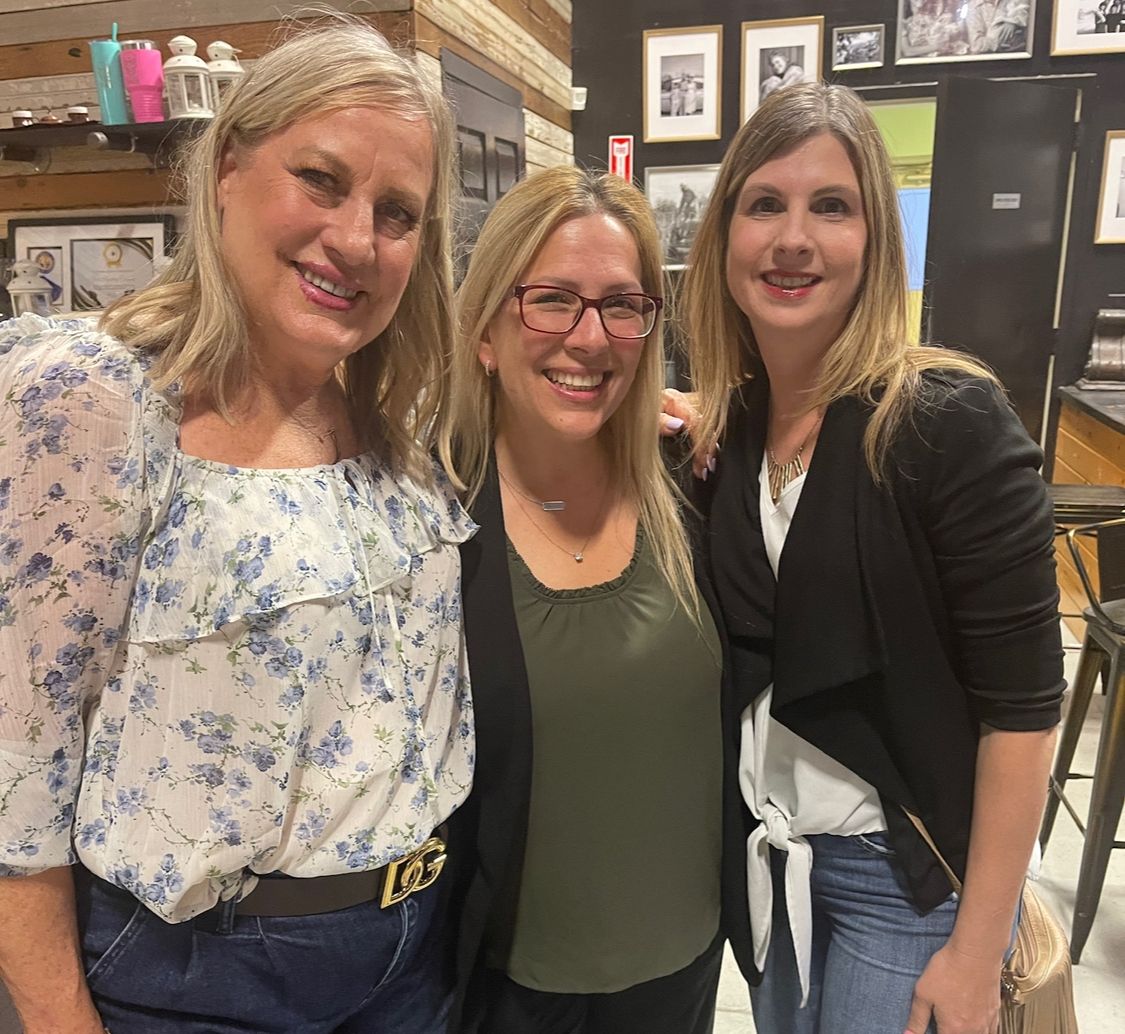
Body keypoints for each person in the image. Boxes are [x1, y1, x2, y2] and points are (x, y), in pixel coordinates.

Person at [0, 19, 474, 1034]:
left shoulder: (399, 413)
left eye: (397, 213)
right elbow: (18, 760)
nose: (355, 238)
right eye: (320, 178)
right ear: (225, 167)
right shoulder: (97, 398)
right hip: (203, 979)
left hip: (414, 950)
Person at [680, 82, 1063, 1034]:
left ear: (876, 241)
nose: (792, 237)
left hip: (908, 884)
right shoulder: (723, 435)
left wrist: (976, 953)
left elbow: (1023, 714)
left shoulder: (943, 422)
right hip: (771, 868)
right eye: (763, 203)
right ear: (724, 234)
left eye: (831, 207)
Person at [440, 166, 728, 1034]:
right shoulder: (430, 513)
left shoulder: (696, 484)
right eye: (552, 301)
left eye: (620, 305)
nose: (590, 337)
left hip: (680, 974)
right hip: (508, 989)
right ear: (486, 329)